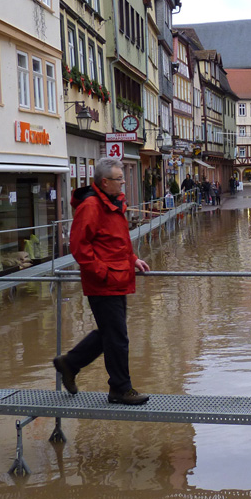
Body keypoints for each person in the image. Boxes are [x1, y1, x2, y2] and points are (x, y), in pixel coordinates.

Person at [53, 157, 151, 405]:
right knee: (117, 337)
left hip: (116, 277)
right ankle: (120, 388)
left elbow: (115, 242)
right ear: (105, 182)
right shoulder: (92, 207)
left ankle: (70, 363)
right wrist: (102, 272)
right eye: (120, 179)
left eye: (123, 178)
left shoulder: (112, 204)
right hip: (105, 281)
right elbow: (78, 246)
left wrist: (132, 259)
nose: (123, 183)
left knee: (111, 333)